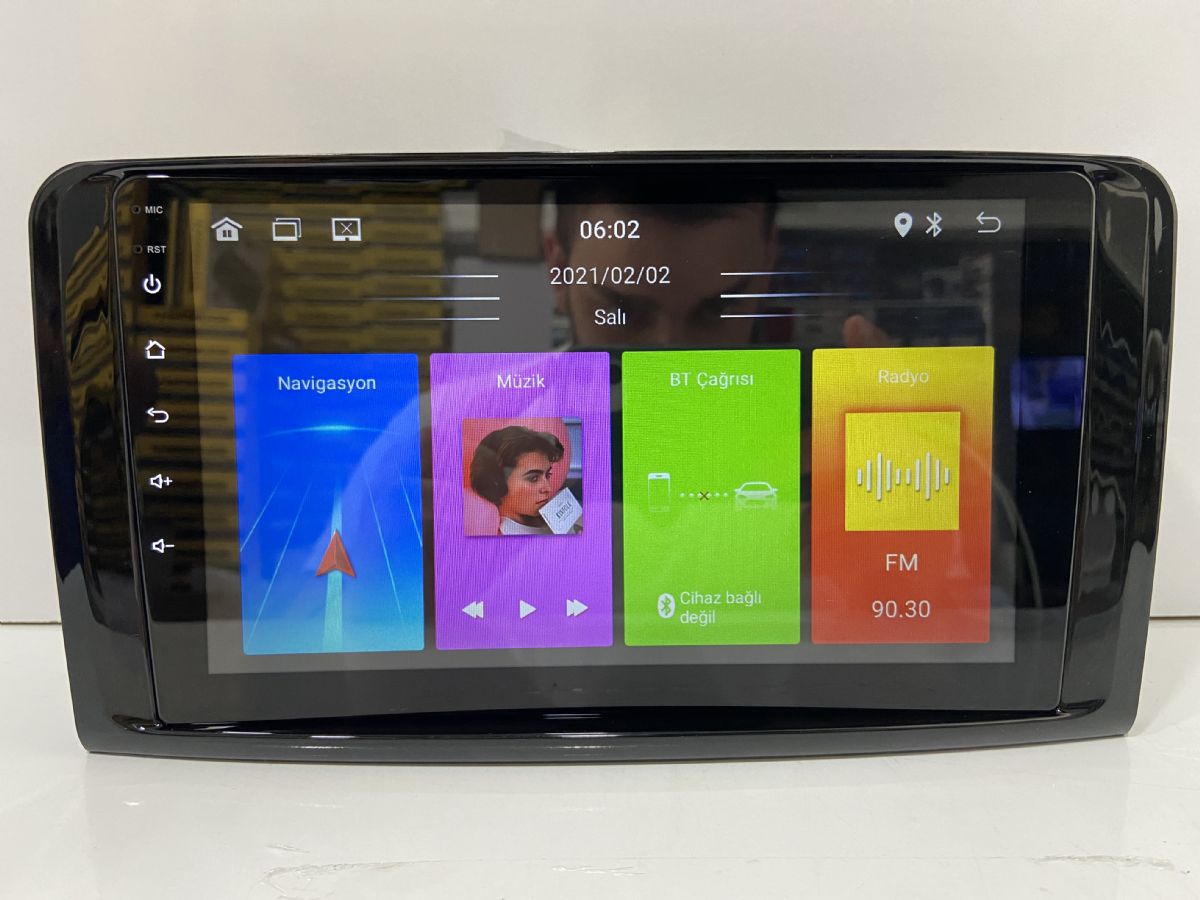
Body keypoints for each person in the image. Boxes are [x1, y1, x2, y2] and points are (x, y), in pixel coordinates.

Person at [468, 425, 580, 535]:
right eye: (534, 478)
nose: (548, 488)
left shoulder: (555, 521)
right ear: (496, 483)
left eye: (547, 475)